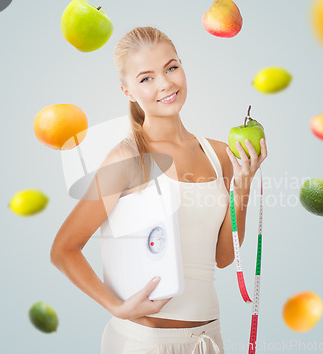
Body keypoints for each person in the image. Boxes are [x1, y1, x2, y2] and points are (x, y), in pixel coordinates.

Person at [50, 26, 267, 353]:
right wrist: (116, 307)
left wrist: (243, 185)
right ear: (127, 91)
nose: (165, 84)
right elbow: (64, 249)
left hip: (208, 340)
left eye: (171, 68)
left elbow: (223, 258)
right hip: (144, 343)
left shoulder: (220, 154)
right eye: (146, 78)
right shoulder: (127, 158)